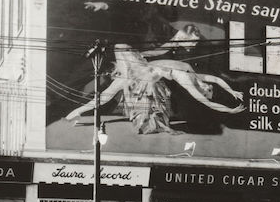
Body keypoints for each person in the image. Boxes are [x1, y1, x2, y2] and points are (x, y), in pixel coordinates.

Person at [65, 43, 245, 134]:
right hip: (141, 71)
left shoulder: (190, 83)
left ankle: (76, 111)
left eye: (206, 90)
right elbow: (217, 80)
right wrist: (232, 92)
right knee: (107, 92)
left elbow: (204, 101)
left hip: (145, 75)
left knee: (106, 95)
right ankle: (76, 111)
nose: (206, 88)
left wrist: (229, 109)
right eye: (209, 88)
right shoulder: (201, 78)